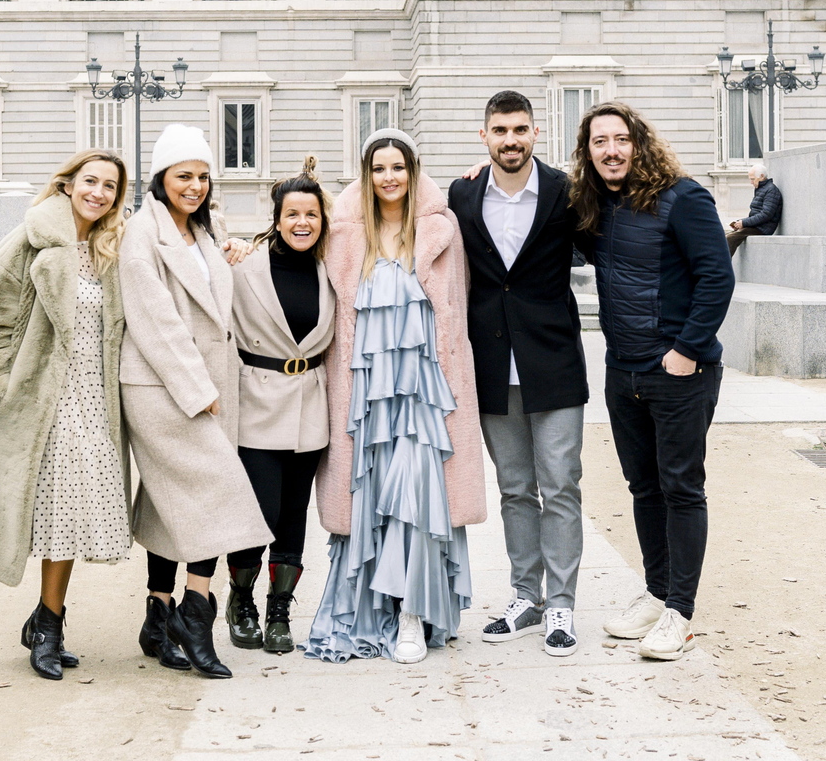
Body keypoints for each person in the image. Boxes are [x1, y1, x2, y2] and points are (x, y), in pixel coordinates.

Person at [304, 129, 486, 665]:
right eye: (379, 168)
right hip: (366, 399)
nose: (389, 177)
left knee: (417, 500)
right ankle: (368, 608)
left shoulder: (440, 230)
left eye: (398, 167)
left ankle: (412, 614)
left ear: (413, 172)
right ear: (366, 175)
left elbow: (457, 310)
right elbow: (290, 251)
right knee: (371, 500)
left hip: (424, 398)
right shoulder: (341, 235)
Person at [570, 101, 734, 661]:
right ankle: (657, 593)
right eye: (600, 142)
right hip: (624, 372)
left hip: (680, 373)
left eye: (621, 139)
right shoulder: (594, 205)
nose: (611, 150)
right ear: (588, 152)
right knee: (644, 489)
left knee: (681, 488)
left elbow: (717, 276)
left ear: (639, 143)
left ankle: (679, 614)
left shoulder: (684, 198)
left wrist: (686, 351)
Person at [0, 149, 131, 681]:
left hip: (93, 399)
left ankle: (44, 619)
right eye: (90, 181)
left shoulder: (109, 248)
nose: (98, 192)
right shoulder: (30, 240)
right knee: (59, 512)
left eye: (109, 186)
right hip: (40, 401)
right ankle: (49, 627)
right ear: (67, 184)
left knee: (73, 513)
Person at [119, 124, 273, 679]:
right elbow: (154, 319)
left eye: (204, 176)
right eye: (184, 175)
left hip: (208, 381)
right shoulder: (142, 232)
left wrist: (235, 252)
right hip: (163, 386)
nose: (195, 186)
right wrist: (198, 391)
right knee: (218, 490)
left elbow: (216, 296)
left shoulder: (207, 230)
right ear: (160, 178)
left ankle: (157, 614)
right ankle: (195, 611)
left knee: (171, 499)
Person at [448, 90, 589, 658]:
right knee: (514, 488)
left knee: (560, 484)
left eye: (520, 129)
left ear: (535, 133)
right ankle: (526, 596)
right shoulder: (461, 193)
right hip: (489, 363)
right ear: (484, 136)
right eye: (501, 131)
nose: (511, 140)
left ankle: (562, 604)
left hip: (553, 362)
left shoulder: (566, 192)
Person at [223, 156, 336, 654]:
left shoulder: (332, 269)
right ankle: (241, 600)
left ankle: (279, 611)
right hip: (258, 402)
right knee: (258, 512)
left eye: (311, 214)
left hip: (310, 403)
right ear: (277, 218)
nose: (302, 223)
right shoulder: (244, 267)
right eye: (292, 214)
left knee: (293, 515)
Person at [726, 164, 783, 257]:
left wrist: (744, 223)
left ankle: (723, 265)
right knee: (724, 236)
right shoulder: (761, 189)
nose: (751, 182)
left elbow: (766, 214)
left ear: (762, 176)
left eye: (753, 179)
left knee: (730, 238)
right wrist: (739, 223)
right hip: (756, 226)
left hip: (763, 228)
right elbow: (756, 214)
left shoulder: (771, 190)